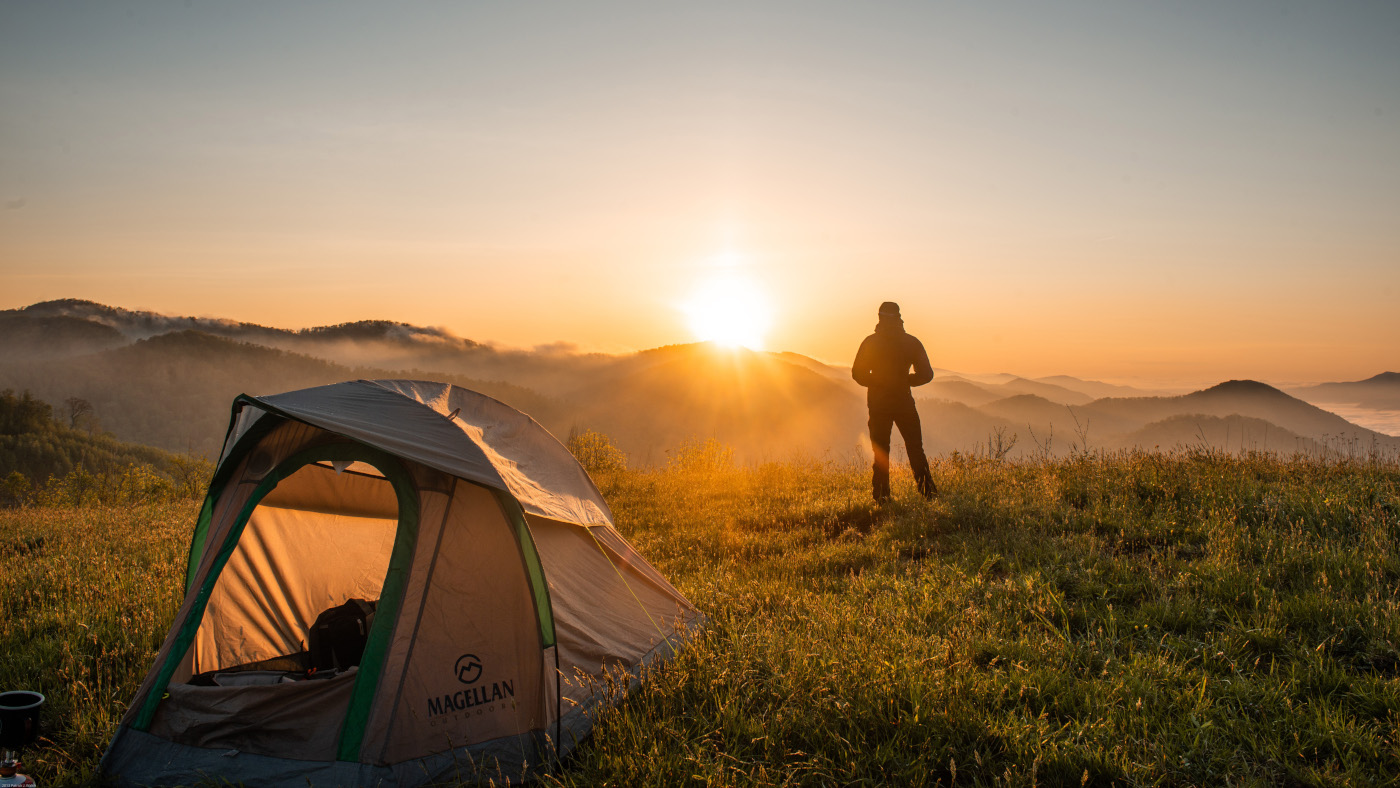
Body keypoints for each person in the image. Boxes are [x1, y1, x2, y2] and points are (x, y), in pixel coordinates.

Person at [851, 301, 936, 501]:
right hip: (904, 402)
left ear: (879, 317)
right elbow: (927, 374)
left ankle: (882, 496)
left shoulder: (870, 342)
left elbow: (857, 374)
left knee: (881, 451)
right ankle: (928, 494)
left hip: (878, 404)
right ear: (899, 317)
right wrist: (905, 380)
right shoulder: (911, 342)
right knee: (915, 448)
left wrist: (878, 381)